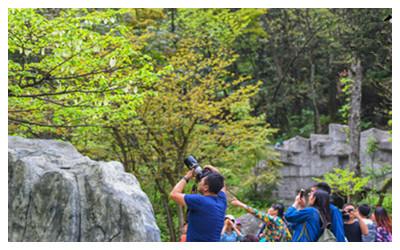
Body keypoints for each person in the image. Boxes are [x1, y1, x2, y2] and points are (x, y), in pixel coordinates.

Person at [169, 165, 227, 242]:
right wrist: (214, 171)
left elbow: (173, 194)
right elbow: (222, 185)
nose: (199, 183)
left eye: (201, 181)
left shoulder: (200, 201)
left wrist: (187, 177)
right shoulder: (222, 201)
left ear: (206, 187)